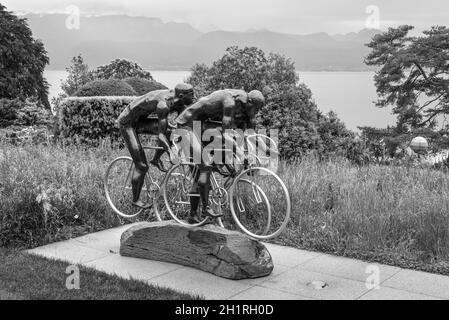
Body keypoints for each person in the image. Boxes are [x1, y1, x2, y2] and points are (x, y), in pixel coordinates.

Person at [174, 89, 265, 224]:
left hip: (201, 125)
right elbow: (226, 134)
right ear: (250, 102)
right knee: (205, 167)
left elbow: (251, 133)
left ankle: (193, 216)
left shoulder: (244, 105)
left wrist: (266, 149)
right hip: (186, 125)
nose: (257, 112)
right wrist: (241, 155)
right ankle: (205, 209)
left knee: (201, 172)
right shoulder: (230, 102)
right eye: (256, 109)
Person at [117, 84, 194, 209]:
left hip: (142, 119)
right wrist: (171, 152)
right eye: (191, 94)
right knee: (141, 166)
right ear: (181, 96)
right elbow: (161, 136)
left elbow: (183, 126)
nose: (194, 97)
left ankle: (156, 159)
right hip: (127, 123)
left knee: (170, 130)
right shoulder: (163, 105)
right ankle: (135, 200)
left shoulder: (180, 103)